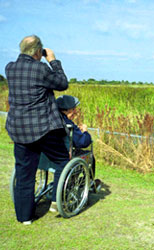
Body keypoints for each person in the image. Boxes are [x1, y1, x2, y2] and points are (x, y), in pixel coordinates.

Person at [5, 35, 69, 225]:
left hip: (18, 129)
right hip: (41, 128)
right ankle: (56, 202)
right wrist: (53, 60)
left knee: (24, 172)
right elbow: (62, 83)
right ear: (37, 52)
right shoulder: (40, 68)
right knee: (63, 160)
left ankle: (24, 218)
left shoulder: (10, 68)